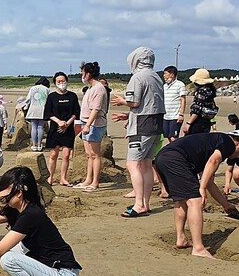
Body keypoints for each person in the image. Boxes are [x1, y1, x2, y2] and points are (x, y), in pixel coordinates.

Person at [152, 131, 239, 258]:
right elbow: (214, 161)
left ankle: (181, 238)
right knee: (195, 201)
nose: (235, 157)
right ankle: (198, 248)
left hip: (163, 158)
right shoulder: (228, 143)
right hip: (176, 158)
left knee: (181, 200)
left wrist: (226, 205)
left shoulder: (209, 143)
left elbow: (209, 182)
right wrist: (201, 189)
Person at [112, 48, 166, 216]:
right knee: (146, 164)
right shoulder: (156, 77)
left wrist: (122, 101)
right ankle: (146, 203)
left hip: (142, 126)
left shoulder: (138, 77)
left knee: (133, 164)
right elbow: (149, 104)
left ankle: (139, 204)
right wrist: (128, 116)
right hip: (156, 124)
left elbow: (134, 102)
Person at [75, 63, 108, 192]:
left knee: (95, 155)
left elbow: (96, 109)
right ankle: (88, 179)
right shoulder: (90, 88)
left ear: (88, 73)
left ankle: (95, 182)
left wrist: (88, 125)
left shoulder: (99, 88)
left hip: (94, 124)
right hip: (85, 122)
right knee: (89, 155)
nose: (82, 75)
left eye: (83, 72)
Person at [44, 72, 80, 187]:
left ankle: (63, 178)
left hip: (68, 128)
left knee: (66, 155)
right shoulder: (51, 97)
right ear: (55, 83)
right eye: (59, 81)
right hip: (55, 128)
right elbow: (47, 113)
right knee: (53, 155)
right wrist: (59, 122)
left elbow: (76, 112)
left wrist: (67, 123)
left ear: (67, 81)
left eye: (63, 81)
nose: (61, 83)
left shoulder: (72, 96)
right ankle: (50, 177)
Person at [183, 68, 217, 136]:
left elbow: (197, 108)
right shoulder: (210, 90)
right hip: (207, 121)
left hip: (198, 121)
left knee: (190, 141)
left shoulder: (201, 91)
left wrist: (188, 123)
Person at [162, 66, 187, 142]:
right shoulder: (164, 86)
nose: (163, 75)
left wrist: (181, 114)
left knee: (174, 138)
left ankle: (177, 152)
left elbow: (183, 100)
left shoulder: (180, 84)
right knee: (168, 137)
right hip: (166, 116)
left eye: (165, 73)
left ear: (172, 74)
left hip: (175, 116)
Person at [24, 77, 50, 151]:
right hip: (42, 110)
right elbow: (49, 100)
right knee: (40, 127)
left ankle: (34, 145)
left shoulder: (32, 88)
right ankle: (39, 144)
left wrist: (25, 108)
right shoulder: (47, 89)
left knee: (34, 127)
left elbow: (28, 99)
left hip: (33, 109)